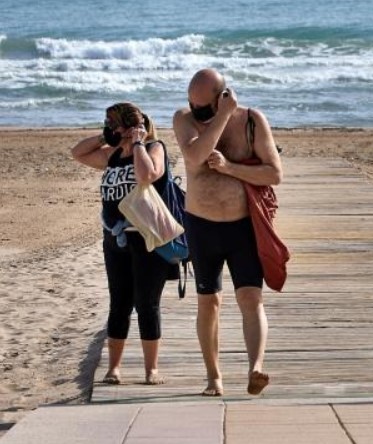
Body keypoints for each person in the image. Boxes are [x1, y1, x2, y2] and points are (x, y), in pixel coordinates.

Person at [172, 68, 282, 396]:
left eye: (204, 108)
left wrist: (231, 168)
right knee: (209, 302)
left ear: (223, 97)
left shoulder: (252, 121)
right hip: (202, 226)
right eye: (194, 106)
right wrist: (219, 117)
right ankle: (213, 377)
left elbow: (274, 173)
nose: (198, 113)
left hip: (243, 226)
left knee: (251, 297)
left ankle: (256, 367)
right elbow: (195, 155)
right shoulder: (185, 120)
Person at [71, 102, 168, 385]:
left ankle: (151, 370)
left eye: (113, 124)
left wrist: (138, 143)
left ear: (131, 125)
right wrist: (105, 138)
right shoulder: (112, 156)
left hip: (146, 238)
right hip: (115, 239)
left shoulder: (154, 148)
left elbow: (147, 175)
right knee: (119, 303)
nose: (109, 128)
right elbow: (77, 153)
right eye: (107, 124)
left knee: (146, 304)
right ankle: (114, 368)